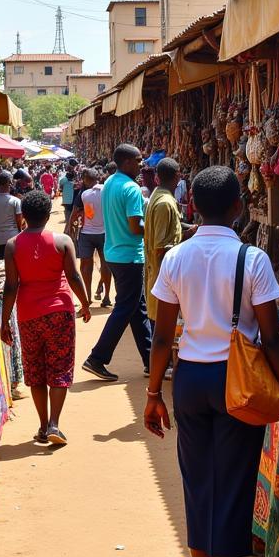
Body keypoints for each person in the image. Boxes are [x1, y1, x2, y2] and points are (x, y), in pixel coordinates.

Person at [145, 166, 279, 557]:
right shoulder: (251, 259)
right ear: (238, 207)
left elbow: (163, 336)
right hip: (239, 383)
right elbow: (272, 337)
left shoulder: (176, 258)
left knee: (199, 489)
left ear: (193, 206)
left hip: (190, 379)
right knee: (232, 491)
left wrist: (153, 394)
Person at [1, 190, 91, 446]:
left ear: (24, 217)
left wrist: (5, 320)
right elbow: (74, 277)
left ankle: (42, 426)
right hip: (59, 313)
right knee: (60, 367)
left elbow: (11, 286)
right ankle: (54, 423)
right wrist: (85, 304)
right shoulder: (63, 242)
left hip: (28, 314)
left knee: (36, 370)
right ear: (47, 213)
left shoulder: (12, 245)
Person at [82, 144, 151, 381]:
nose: (142, 165)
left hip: (114, 254)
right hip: (129, 255)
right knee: (124, 309)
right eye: (139, 160)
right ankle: (97, 357)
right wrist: (155, 229)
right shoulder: (132, 188)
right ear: (127, 162)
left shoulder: (110, 182)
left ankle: (151, 360)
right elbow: (135, 226)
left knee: (136, 308)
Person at [144, 158, 194, 319]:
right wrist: (189, 235)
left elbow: (174, 227)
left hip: (161, 280)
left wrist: (192, 229)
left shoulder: (160, 197)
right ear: (178, 176)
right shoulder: (164, 203)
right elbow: (162, 248)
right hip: (163, 280)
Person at [68, 168, 112, 308]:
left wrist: (71, 227)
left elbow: (78, 213)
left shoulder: (85, 194)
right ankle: (106, 297)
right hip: (105, 233)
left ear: (86, 179)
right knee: (105, 264)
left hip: (87, 233)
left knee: (86, 265)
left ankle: (87, 296)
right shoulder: (108, 191)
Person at [0, 172, 24, 260]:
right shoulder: (15, 201)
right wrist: (20, 231)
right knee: (13, 266)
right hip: (12, 238)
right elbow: (19, 220)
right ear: (9, 184)